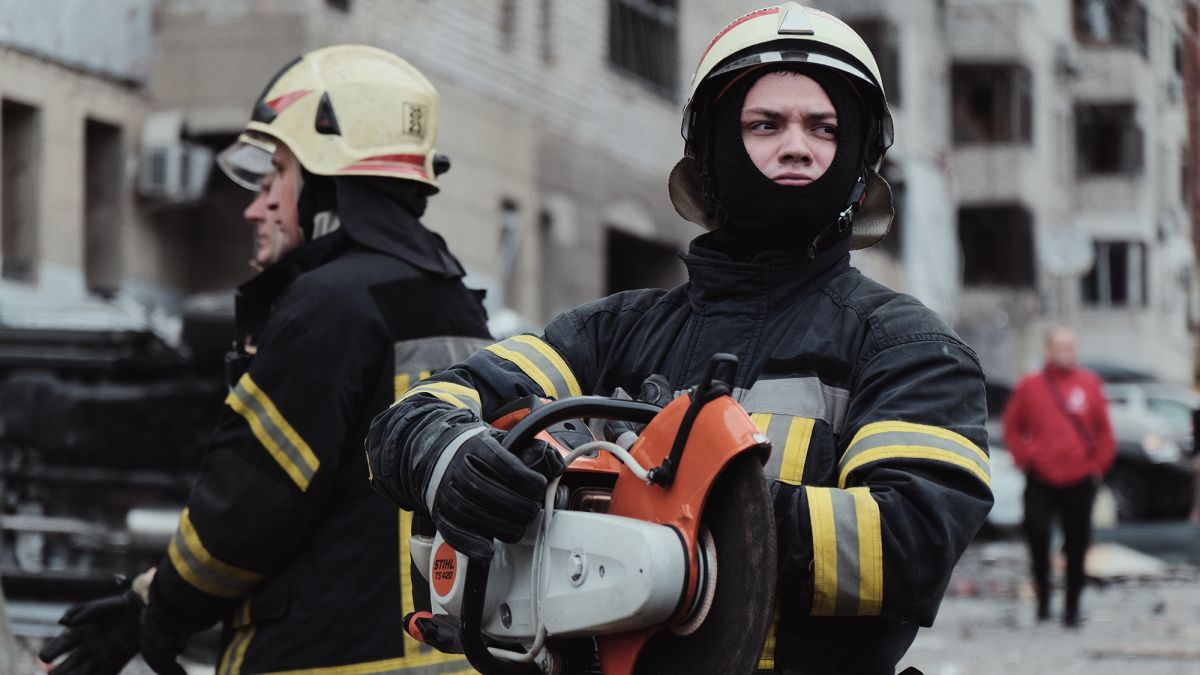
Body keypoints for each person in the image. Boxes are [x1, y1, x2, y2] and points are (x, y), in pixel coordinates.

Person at [366, 4, 993, 674]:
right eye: (765, 123)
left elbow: (911, 544)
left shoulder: (909, 347)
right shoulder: (607, 332)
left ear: (860, 159)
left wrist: (675, 513)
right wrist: (451, 457)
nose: (797, 146)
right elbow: (412, 416)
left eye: (824, 127)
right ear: (713, 149)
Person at [39, 45, 490, 674]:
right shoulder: (459, 306)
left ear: (323, 178)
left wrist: (153, 613)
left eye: (275, 172)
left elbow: (245, 509)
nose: (255, 205)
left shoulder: (327, 306)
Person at [1003, 325, 1115, 627]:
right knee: (1037, 536)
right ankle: (1043, 600)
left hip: (1079, 478)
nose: (1069, 352)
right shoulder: (1031, 386)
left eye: (1072, 346)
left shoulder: (1089, 383)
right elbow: (1012, 426)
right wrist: (1024, 457)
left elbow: (1104, 432)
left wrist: (1097, 467)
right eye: (1062, 346)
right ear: (1049, 350)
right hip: (1040, 477)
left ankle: (1072, 608)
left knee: (1077, 544)